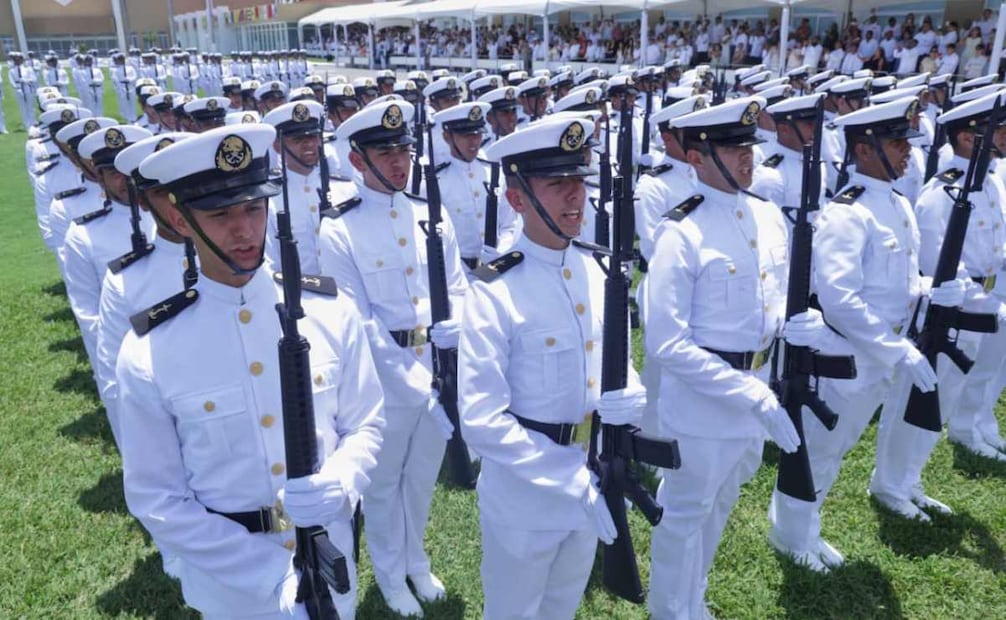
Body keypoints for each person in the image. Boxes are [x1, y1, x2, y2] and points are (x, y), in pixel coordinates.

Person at [118, 123, 385, 619]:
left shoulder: (327, 309)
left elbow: (365, 422)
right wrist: (266, 577)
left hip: (330, 555)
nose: (243, 230)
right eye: (220, 215)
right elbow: (157, 497)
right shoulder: (150, 350)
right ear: (179, 218)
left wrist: (344, 480)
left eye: (253, 208)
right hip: (232, 587)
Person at [457, 114, 642, 619]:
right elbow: (480, 420)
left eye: (578, 181)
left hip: (592, 473)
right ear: (517, 199)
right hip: (526, 499)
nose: (575, 196)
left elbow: (615, 357)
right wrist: (566, 481)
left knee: (562, 606)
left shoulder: (595, 267)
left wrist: (633, 391)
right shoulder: (495, 292)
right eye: (557, 184)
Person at [645, 96, 805, 619]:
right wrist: (750, 394)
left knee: (720, 505)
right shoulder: (681, 232)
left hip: (757, 394)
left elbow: (771, 296)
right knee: (686, 512)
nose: (746, 158)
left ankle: (693, 597)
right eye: (732, 149)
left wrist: (797, 323)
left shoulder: (765, 214)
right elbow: (667, 342)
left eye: (748, 146)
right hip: (704, 405)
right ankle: (671, 610)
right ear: (697, 158)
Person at [318, 100, 467, 617]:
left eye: (404, 149)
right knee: (383, 485)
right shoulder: (338, 229)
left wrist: (452, 355)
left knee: (421, 478)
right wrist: (416, 383)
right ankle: (388, 576)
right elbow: (358, 323)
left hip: (438, 371)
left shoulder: (432, 213)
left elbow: (458, 288)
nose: (401, 161)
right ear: (358, 160)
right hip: (384, 378)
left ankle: (416, 561)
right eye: (386, 152)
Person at [872, 92, 1006, 525]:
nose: (1003, 136)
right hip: (946, 314)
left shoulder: (989, 181)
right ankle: (888, 482)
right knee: (913, 402)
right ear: (969, 137)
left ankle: (910, 479)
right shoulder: (943, 193)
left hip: (979, 307)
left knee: (942, 402)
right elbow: (937, 267)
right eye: (995, 129)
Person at [429, 101, 518, 270]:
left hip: (497, 266)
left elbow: (509, 224)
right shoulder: (437, 181)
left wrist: (500, 253)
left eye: (477, 134)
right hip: (458, 271)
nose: (474, 142)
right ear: (447, 137)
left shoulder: (495, 172)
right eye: (466, 135)